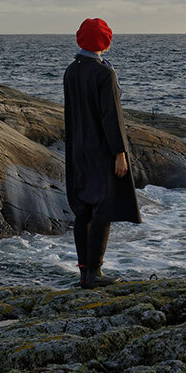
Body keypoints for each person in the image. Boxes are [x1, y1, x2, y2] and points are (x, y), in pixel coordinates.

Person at [63, 17, 141, 288]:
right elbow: (112, 117)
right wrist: (120, 153)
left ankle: (84, 271)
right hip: (100, 150)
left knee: (83, 209)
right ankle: (94, 272)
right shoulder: (104, 73)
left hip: (77, 148)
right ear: (106, 42)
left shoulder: (72, 70)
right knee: (102, 209)